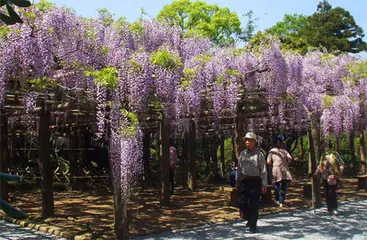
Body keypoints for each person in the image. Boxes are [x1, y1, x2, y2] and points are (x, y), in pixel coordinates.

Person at [236, 132, 267, 233]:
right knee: (241, 202)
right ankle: (250, 218)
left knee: (254, 203)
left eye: (249, 140)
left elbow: (263, 170)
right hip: (244, 181)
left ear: (254, 142)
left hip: (255, 181)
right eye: (246, 140)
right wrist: (237, 181)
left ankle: (253, 224)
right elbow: (239, 168)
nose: (247, 142)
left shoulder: (259, 155)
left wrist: (264, 184)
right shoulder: (242, 154)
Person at [267, 134, 292, 207]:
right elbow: (290, 158)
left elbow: (268, 161)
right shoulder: (283, 151)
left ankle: (278, 200)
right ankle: (280, 201)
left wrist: (273, 164)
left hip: (276, 169)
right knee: (282, 185)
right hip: (283, 169)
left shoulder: (272, 151)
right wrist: (286, 163)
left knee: (277, 184)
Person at [315, 150, 344, 215]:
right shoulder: (323, 155)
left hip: (334, 177)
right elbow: (320, 165)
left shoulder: (335, 154)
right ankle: (329, 208)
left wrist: (338, 173)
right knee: (327, 193)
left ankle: (335, 208)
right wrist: (317, 172)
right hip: (325, 177)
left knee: (332, 192)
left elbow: (341, 164)